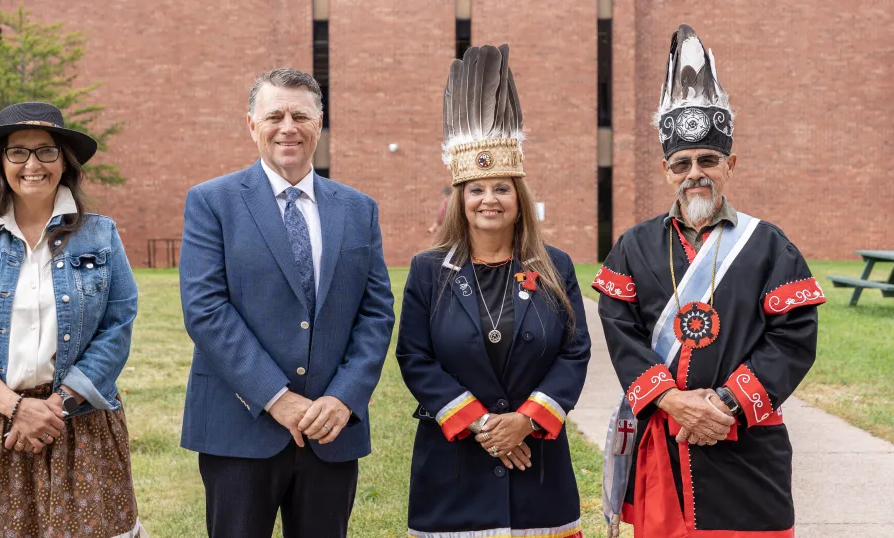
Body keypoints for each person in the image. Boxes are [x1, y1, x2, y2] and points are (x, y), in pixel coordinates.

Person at [594, 25, 825, 538]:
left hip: (745, 439)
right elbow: (621, 331)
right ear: (666, 170)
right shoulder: (633, 246)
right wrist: (672, 401)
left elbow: (793, 339)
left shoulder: (770, 245)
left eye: (707, 161)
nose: (695, 173)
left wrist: (724, 404)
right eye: (682, 163)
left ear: (730, 164)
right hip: (666, 438)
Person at [178, 68, 395, 538]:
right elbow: (205, 309)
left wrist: (344, 397)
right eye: (274, 115)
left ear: (320, 123)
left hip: (331, 431)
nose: (288, 127)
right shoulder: (211, 202)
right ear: (252, 125)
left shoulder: (359, 209)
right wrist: (276, 398)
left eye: (300, 115)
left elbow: (376, 312)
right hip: (240, 429)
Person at [396, 44, 591, 538]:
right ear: (461, 200)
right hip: (454, 467)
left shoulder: (555, 267)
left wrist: (527, 420)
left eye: (501, 188)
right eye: (477, 189)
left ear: (518, 198)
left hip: (538, 466)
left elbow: (575, 352)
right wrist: (483, 425)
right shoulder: (428, 271)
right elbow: (415, 357)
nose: (489, 199)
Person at [0, 102, 141, 537]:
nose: (32, 164)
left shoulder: (101, 235)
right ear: (0, 162)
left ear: (64, 162)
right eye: (17, 152)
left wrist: (53, 409)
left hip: (77, 425)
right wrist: (16, 408)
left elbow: (116, 329)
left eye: (46, 151)